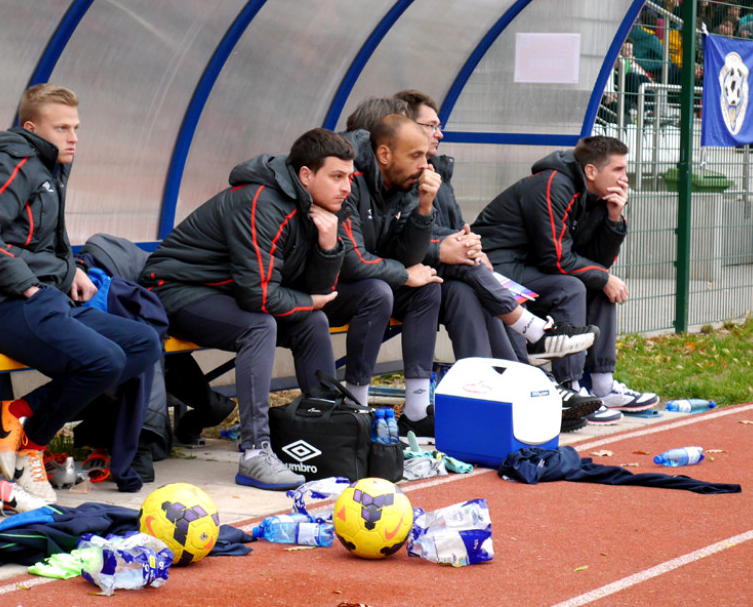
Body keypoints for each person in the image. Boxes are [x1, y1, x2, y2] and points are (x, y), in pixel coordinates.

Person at [0, 84, 162, 501]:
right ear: (31, 128)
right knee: (103, 360)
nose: (73, 137)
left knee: (142, 342)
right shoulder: (7, 161)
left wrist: (71, 268)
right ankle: (31, 451)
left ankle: (17, 413)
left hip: (40, 296)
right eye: (61, 128)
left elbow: (34, 240)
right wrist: (23, 282)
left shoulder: (47, 168)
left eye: (76, 127)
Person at [139, 128, 355, 490]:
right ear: (305, 175)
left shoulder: (318, 207)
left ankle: (325, 434)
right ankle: (256, 452)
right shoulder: (261, 202)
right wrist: (306, 300)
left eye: (349, 177)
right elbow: (258, 297)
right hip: (174, 289)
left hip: (226, 295)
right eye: (337, 176)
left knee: (312, 320)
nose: (346, 186)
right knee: (260, 326)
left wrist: (329, 244)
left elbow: (318, 291)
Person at [393, 90, 608, 426]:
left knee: (475, 292)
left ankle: (517, 392)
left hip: (457, 273)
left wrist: (615, 221)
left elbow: (454, 227)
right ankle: (527, 373)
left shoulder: (436, 172)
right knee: (482, 289)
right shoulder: (392, 177)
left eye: (439, 126)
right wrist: (447, 249)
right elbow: (396, 240)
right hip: (407, 280)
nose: (440, 133)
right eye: (430, 126)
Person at [471, 136, 659, 413]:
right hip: (497, 266)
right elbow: (556, 258)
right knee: (575, 286)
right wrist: (603, 277)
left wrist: (614, 219)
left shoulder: (595, 195)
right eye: (618, 170)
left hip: (530, 266)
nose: (625, 177)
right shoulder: (553, 184)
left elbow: (596, 262)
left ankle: (603, 386)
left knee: (596, 283)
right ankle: (569, 388)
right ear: (592, 171)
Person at [336, 105, 444, 437]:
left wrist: (424, 206)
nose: (424, 166)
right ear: (384, 154)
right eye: (415, 156)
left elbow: (407, 255)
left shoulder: (405, 181)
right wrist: (403, 275)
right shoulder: (348, 178)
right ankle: (356, 408)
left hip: (363, 283)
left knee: (427, 289)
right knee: (379, 290)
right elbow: (350, 260)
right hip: (322, 285)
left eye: (425, 156)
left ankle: (414, 409)